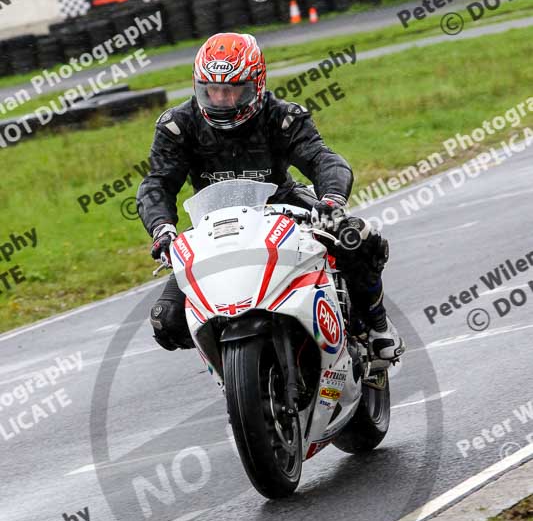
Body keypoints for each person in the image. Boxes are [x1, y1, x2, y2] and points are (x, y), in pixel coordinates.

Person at [137, 32, 404, 361]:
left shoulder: (282, 116)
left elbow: (324, 159)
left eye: (233, 90)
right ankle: (233, 355)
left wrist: (331, 199)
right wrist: (162, 228)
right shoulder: (178, 126)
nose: (221, 99)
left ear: (256, 85)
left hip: (284, 207)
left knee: (356, 237)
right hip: (213, 225)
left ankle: (376, 327)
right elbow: (158, 182)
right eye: (212, 90)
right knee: (167, 322)